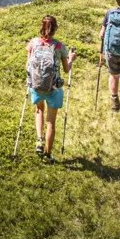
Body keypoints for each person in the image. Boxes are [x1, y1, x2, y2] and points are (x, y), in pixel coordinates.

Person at [26, 15, 78, 162]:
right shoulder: (59, 46)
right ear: (56, 29)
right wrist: (71, 59)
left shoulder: (33, 43)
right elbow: (67, 69)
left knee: (39, 110)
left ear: (41, 27)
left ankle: (39, 140)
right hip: (53, 89)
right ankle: (48, 155)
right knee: (51, 122)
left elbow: (28, 65)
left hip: (36, 87)